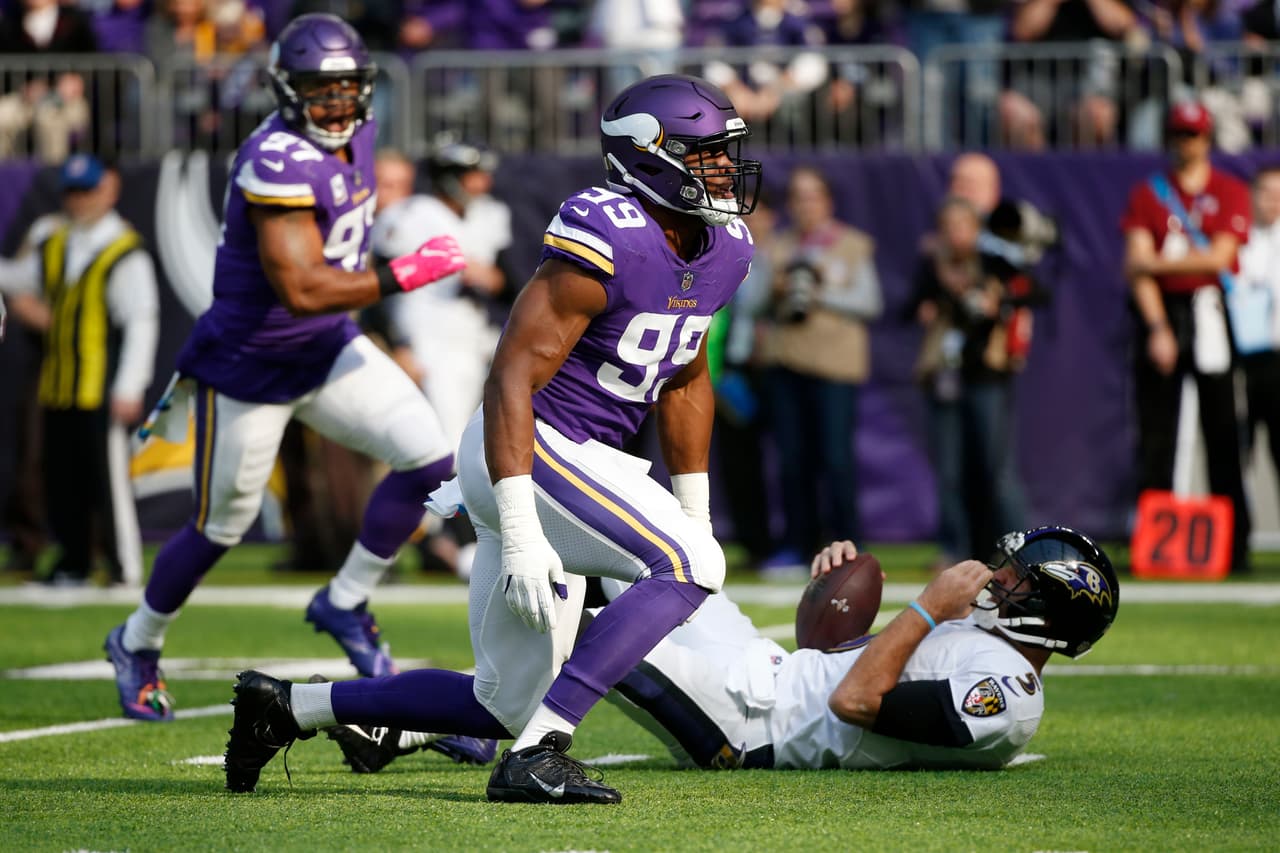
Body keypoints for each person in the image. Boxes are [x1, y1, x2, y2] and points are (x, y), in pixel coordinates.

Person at [222, 73, 762, 804]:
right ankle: (541, 753)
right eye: (706, 154)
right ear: (650, 154)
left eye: (727, 153)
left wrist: (693, 506)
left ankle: (288, 705)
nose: (725, 168)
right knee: (691, 564)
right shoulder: (608, 232)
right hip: (530, 446)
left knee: (501, 700)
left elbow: (688, 375)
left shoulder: (726, 245)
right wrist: (517, 524)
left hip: (580, 464)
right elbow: (510, 377)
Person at [103, 14, 468, 723]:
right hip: (252, 364)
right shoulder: (275, 158)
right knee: (221, 525)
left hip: (327, 346)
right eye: (317, 90)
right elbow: (301, 287)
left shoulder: (360, 135)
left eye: (345, 89)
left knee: (430, 461)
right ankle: (136, 639)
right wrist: (401, 274)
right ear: (286, 92)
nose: (334, 105)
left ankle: (346, 599)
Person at [220, 525, 1119, 779]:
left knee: (568, 620)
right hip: (766, 666)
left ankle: (315, 708)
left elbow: (854, 708)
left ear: (1051, 619)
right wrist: (834, 606)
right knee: (652, 558)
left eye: (1017, 581)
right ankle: (379, 725)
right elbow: (836, 665)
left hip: (748, 721)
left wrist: (923, 608)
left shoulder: (1008, 695)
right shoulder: (976, 639)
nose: (998, 579)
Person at [1, 155, 159, 587]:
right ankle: (72, 561)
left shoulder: (123, 249)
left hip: (100, 384)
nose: (78, 201)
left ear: (106, 190)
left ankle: (123, 565)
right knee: (61, 479)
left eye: (85, 190)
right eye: (71, 192)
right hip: (58, 383)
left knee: (107, 483)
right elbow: (19, 279)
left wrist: (130, 384)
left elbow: (141, 321)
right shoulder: (56, 240)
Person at [1121, 100, 1251, 574]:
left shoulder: (1228, 189)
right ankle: (1150, 545)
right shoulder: (1149, 194)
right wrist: (1158, 328)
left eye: (1193, 135)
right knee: (1156, 435)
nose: (1185, 143)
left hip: (1211, 312)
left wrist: (1156, 262)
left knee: (1223, 433)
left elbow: (1218, 258)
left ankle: (1235, 548)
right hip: (1163, 312)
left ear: (1207, 139)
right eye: (1178, 134)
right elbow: (1135, 269)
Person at [759, 165, 882, 571]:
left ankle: (848, 545)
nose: (806, 204)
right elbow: (753, 302)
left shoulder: (851, 243)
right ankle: (797, 544)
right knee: (792, 461)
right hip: (786, 362)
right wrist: (775, 287)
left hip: (834, 366)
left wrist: (815, 290)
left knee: (835, 459)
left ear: (827, 201)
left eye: (813, 196)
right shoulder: (777, 245)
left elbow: (869, 303)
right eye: (798, 196)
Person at [911, 196, 1031, 569]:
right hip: (946, 374)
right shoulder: (933, 266)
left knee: (996, 467)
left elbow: (1032, 292)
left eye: (962, 226)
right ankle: (955, 548)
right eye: (948, 227)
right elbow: (912, 304)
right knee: (949, 469)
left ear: (976, 229)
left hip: (985, 374)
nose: (955, 235)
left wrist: (999, 303)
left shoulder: (996, 262)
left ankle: (1016, 547)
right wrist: (928, 308)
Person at [371, 133, 512, 450]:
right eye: (472, 175)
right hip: (427, 336)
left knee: (472, 440)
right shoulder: (413, 215)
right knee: (444, 446)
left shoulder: (489, 214)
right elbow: (381, 284)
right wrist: (399, 344)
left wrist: (489, 277)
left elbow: (508, 281)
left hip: (474, 336)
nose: (480, 183)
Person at [1232, 166, 1280, 501]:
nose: (1272, 201)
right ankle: (1236, 541)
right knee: (1237, 452)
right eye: (1265, 192)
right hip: (1244, 362)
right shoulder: (1237, 240)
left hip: (1277, 361)